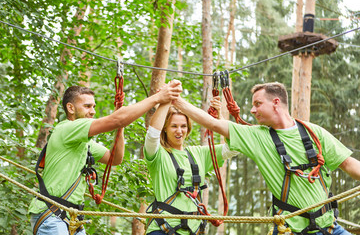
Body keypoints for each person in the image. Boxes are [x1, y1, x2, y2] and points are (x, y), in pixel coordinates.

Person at [172, 82, 360, 235]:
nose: (253, 110)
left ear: (276, 102)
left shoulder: (313, 132)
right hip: (290, 230)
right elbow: (213, 123)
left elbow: (348, 164)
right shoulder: (257, 137)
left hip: (328, 227)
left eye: (258, 104)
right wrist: (176, 100)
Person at [29, 81, 182, 235]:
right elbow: (117, 119)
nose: (93, 111)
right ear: (70, 108)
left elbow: (115, 158)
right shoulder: (68, 128)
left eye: (94, 107)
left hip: (70, 217)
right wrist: (158, 98)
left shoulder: (83, 143)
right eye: (87, 106)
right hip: (52, 215)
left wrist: (119, 128)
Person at [144, 95, 239, 235]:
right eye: (174, 126)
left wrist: (219, 120)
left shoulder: (200, 154)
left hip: (193, 230)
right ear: (165, 128)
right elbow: (152, 135)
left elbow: (235, 147)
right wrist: (165, 99)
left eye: (183, 126)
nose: (179, 131)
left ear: (188, 129)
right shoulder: (158, 155)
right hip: (162, 229)